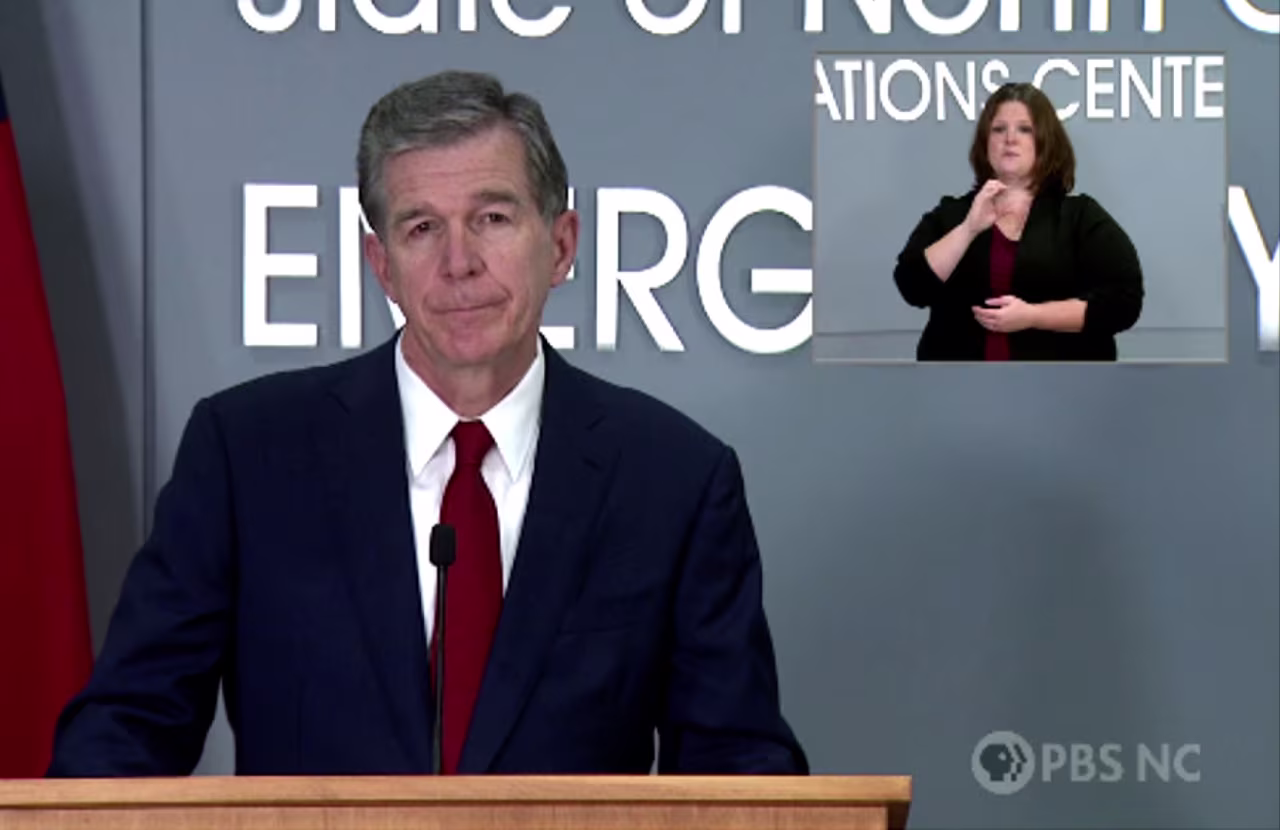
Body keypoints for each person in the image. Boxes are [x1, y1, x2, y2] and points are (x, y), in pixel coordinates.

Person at [46, 71, 807, 776]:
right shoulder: (247, 456)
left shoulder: (672, 480)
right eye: (420, 229)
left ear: (563, 245)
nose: (459, 262)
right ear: (381, 265)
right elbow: (126, 730)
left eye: (493, 218)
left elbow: (740, 769)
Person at [892, 82, 1144, 361]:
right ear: (985, 142)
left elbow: (1124, 303)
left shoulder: (1079, 216)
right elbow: (911, 285)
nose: (1010, 138)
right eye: (999, 129)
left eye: (1025, 129)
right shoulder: (952, 214)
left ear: (1045, 142)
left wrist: (1034, 316)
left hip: (1063, 392)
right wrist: (968, 229)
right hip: (960, 391)